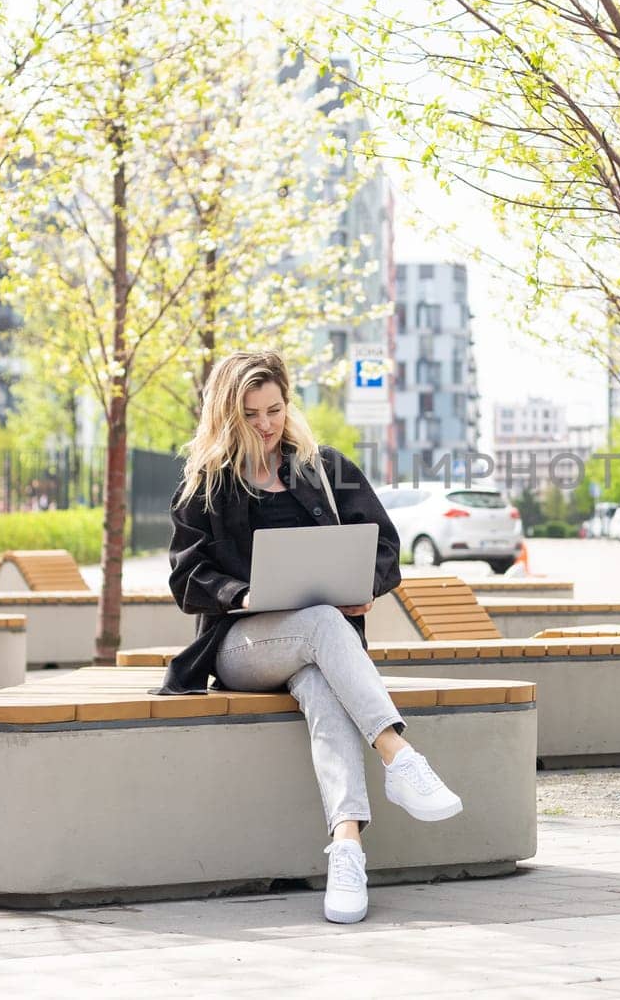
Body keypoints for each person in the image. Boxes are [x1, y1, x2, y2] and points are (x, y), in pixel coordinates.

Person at [163, 349, 463, 924]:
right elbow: (186, 578)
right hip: (239, 648)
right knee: (324, 623)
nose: (267, 424)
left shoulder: (325, 467)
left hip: (317, 650)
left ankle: (347, 849)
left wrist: (366, 587)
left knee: (323, 683)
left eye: (275, 409)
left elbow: (384, 546)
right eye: (250, 414)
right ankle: (398, 755)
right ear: (227, 416)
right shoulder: (204, 484)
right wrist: (243, 596)